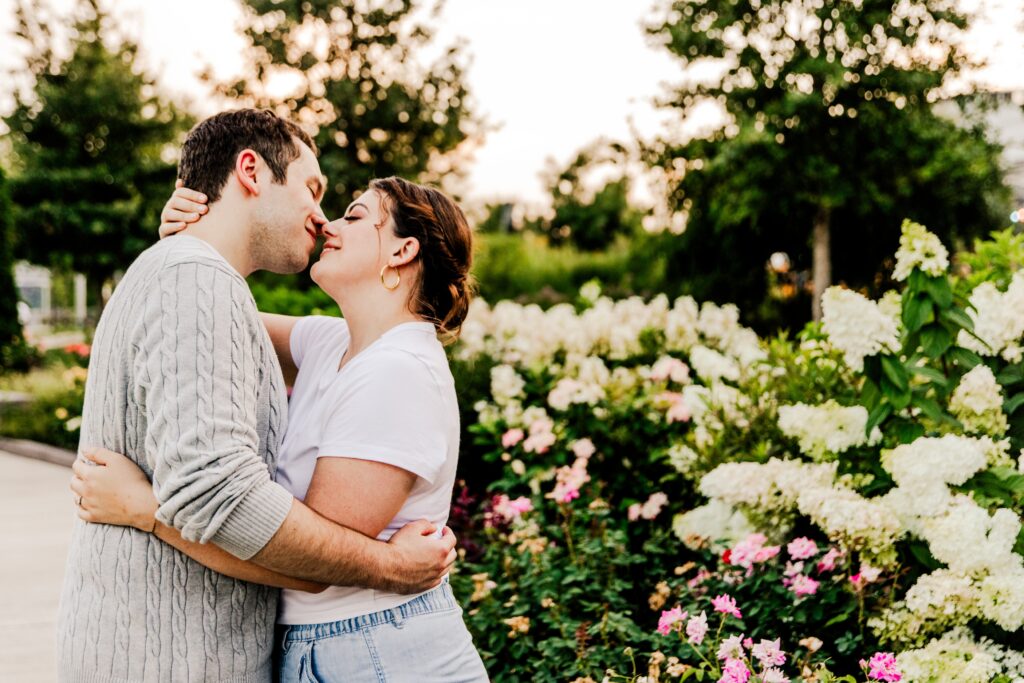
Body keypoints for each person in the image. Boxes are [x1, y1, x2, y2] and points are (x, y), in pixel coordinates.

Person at [58, 110, 456, 683]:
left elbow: (309, 540)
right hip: (177, 660)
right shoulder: (209, 286)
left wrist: (144, 508)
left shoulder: (388, 361)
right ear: (250, 170)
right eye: (313, 191)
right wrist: (389, 565)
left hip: (353, 652)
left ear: (402, 253)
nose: (322, 220)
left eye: (348, 212)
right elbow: (220, 493)